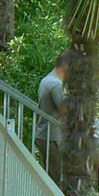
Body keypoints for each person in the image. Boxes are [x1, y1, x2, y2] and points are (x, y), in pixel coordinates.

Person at [34, 51, 71, 183]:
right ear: (66, 65)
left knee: (50, 175)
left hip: (46, 135)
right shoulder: (56, 84)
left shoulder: (47, 79)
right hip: (52, 138)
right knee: (53, 179)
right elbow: (65, 110)